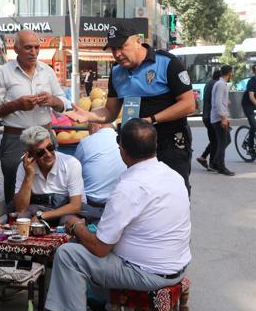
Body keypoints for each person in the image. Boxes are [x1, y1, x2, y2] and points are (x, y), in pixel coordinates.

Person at [45, 119, 191, 311]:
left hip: (148, 274)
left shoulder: (129, 187)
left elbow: (100, 248)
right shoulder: (173, 176)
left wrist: (76, 226)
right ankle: (103, 305)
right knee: (91, 242)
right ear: (155, 146)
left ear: (122, 151)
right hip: (177, 265)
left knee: (68, 254)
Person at [66, 22, 196, 193]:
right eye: (113, 49)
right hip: (137, 148)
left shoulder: (167, 63)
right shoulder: (116, 72)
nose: (117, 54)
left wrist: (151, 120)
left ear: (138, 41)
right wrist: (88, 116)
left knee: (173, 192)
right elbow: (110, 112)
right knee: (140, 194)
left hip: (169, 144)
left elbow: (188, 104)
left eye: (121, 46)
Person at [0, 30, 69, 205]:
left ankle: (49, 220)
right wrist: (16, 105)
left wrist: (52, 100)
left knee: (50, 182)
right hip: (16, 138)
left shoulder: (47, 71)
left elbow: (63, 104)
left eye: (37, 47)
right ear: (16, 49)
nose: (34, 52)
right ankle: (13, 224)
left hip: (45, 135)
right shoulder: (4, 72)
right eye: (28, 48)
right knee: (14, 186)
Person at [11, 126, 83, 222]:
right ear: (30, 154)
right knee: (21, 219)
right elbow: (21, 209)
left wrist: (42, 216)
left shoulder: (71, 163)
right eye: (40, 152)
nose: (48, 154)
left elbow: (75, 206)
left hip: (66, 212)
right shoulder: (24, 167)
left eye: (50, 147)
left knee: (71, 222)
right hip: (38, 210)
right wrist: (29, 176)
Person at [72, 122, 126, 220]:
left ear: (99, 124)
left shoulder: (86, 142)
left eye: (89, 126)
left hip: (91, 205)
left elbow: (75, 168)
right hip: (120, 205)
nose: (89, 131)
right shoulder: (125, 141)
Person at [210, 65, 234, 176]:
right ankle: (220, 165)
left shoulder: (221, 84)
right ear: (229, 73)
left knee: (225, 140)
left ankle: (216, 162)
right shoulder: (221, 85)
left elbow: (220, 101)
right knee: (222, 142)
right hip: (218, 118)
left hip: (219, 117)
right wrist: (223, 118)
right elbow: (218, 102)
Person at [196, 69, 221, 171]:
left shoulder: (208, 84)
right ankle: (212, 162)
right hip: (212, 116)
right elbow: (217, 102)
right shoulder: (217, 85)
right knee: (217, 140)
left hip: (206, 116)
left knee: (214, 140)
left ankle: (203, 158)